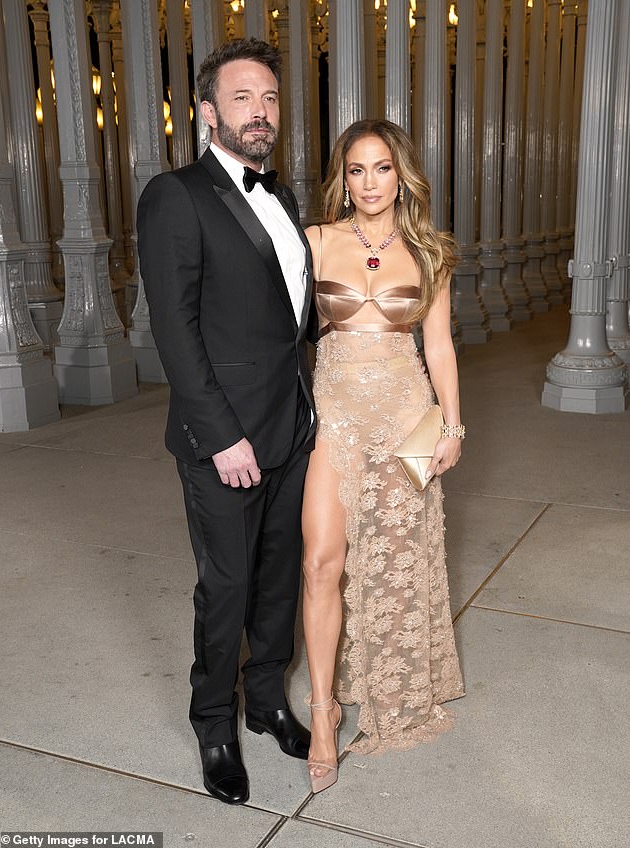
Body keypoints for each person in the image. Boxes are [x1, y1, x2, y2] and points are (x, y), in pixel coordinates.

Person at [137, 38, 316, 806]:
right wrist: (220, 436)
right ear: (208, 111)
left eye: (270, 99)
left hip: (292, 427)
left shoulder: (284, 197)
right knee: (228, 585)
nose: (260, 112)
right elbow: (174, 331)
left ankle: (268, 698)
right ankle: (214, 721)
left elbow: (290, 322)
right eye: (243, 98)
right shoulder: (174, 196)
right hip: (225, 440)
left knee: (279, 578)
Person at [302, 119, 465, 793]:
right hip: (334, 414)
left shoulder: (431, 252)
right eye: (358, 169)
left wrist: (453, 426)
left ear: (403, 175)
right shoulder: (313, 242)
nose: (371, 183)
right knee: (320, 561)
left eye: (384, 169)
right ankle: (322, 708)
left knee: (401, 558)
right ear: (344, 176)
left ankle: (394, 685)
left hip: (409, 416)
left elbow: (440, 347)